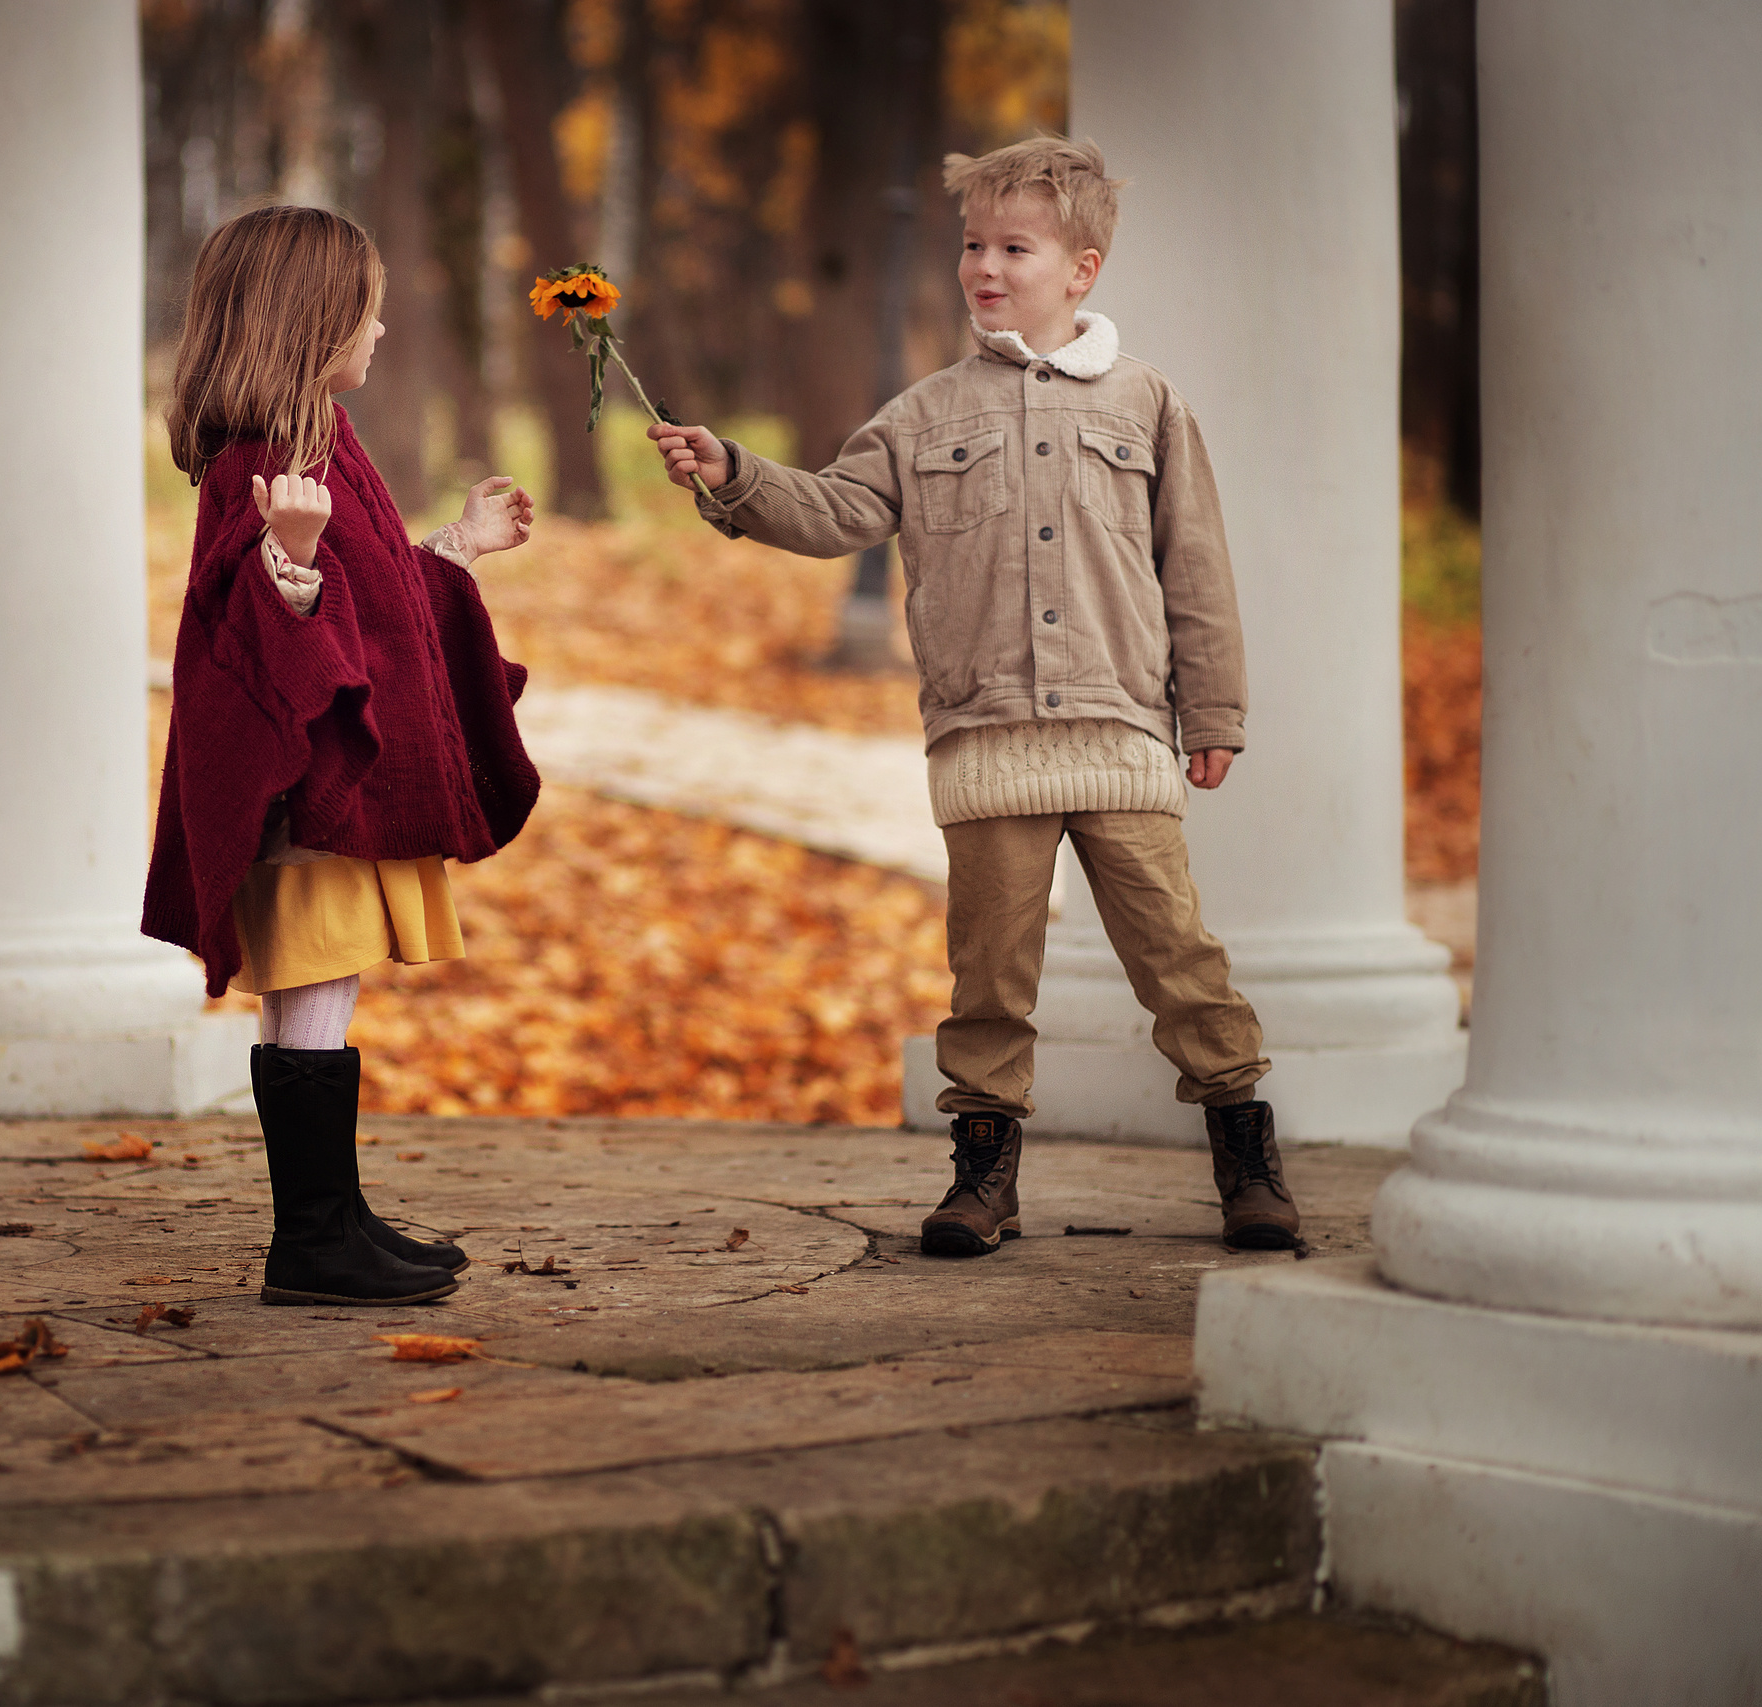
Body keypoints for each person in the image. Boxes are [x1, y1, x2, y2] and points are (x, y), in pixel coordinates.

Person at [646, 137, 1297, 1256]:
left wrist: (1216, 712)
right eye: (970, 245)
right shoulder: (921, 415)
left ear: (1081, 269)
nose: (984, 266)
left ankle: (1246, 1159)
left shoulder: (1147, 406)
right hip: (985, 737)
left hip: (1119, 731)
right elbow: (836, 512)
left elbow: (1193, 564)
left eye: (1014, 246)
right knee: (988, 974)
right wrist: (733, 474)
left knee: (1178, 960)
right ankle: (981, 1178)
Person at [143, 205, 542, 1306]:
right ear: (309, 320)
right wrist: (290, 560)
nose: (381, 327)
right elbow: (248, 621)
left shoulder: (324, 440)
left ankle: (336, 1216)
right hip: (308, 790)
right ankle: (312, 1242)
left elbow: (376, 599)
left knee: (322, 990)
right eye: (364, 309)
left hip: (342, 783)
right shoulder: (257, 464)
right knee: (313, 985)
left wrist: (459, 545)